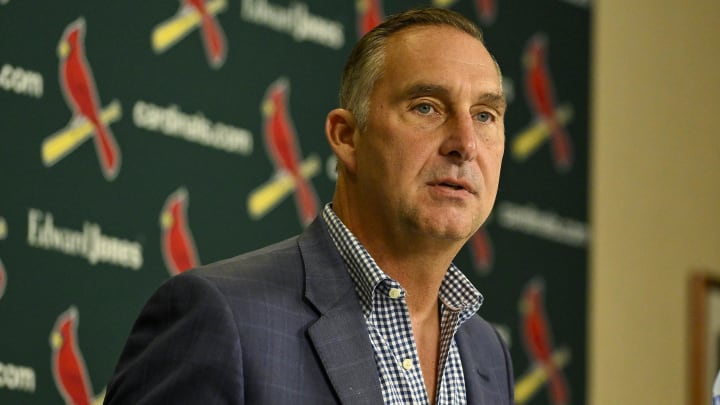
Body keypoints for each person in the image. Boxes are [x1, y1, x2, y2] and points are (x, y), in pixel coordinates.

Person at [104, 7, 512, 405]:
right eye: (426, 106)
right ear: (347, 137)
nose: (466, 143)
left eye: (485, 115)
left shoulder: (488, 353)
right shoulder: (221, 317)